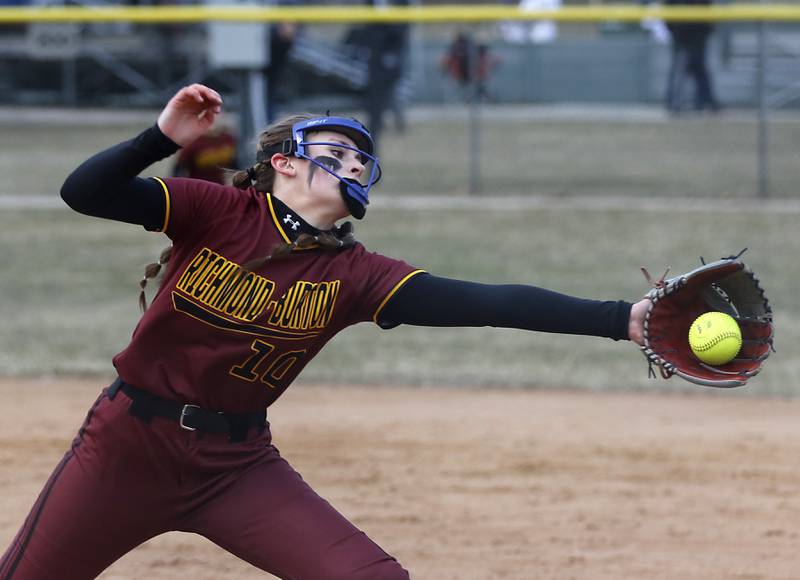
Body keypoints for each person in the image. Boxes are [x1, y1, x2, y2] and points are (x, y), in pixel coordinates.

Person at [0, 83, 650, 579]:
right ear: (283, 163)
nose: (354, 165)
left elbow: (491, 301)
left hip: (235, 467)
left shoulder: (355, 274)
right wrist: (160, 136)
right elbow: (84, 192)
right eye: (337, 152)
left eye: (362, 161)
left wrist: (620, 319)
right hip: (126, 448)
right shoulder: (217, 209)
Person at [664, 0, 721, 114]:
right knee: (680, 72)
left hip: (698, 40)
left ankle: (704, 103)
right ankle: (675, 104)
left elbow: (709, 16)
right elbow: (667, 16)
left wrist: (707, 32)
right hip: (683, 41)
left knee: (700, 72)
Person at [171, 123, 237, 183]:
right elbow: (179, 169)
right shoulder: (193, 141)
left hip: (219, 186)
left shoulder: (227, 139)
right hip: (198, 187)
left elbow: (234, 164)